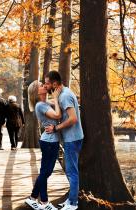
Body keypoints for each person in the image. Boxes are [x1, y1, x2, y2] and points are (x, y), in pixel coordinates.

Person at [44, 71, 84, 210]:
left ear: (55, 84)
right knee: (70, 170)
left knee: (72, 171)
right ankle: (70, 200)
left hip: (72, 139)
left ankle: (73, 203)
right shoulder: (63, 93)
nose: (45, 85)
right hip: (72, 137)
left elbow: (73, 119)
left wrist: (56, 128)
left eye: (47, 83)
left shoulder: (65, 96)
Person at [24, 80, 62, 210]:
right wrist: (56, 99)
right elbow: (57, 115)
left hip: (51, 141)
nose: (44, 86)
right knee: (45, 172)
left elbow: (60, 105)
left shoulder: (45, 103)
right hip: (49, 142)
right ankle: (44, 203)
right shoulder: (40, 105)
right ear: (36, 91)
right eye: (41, 85)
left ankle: (33, 198)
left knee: (45, 172)